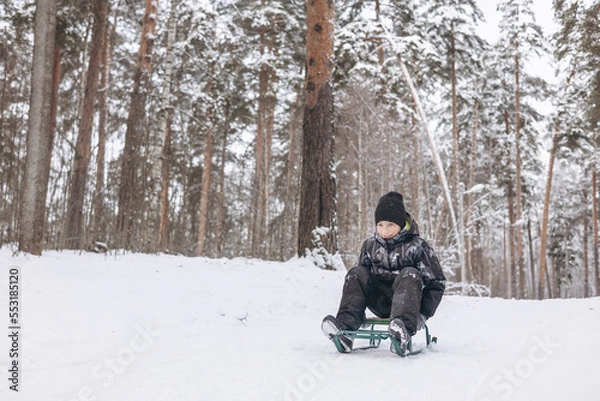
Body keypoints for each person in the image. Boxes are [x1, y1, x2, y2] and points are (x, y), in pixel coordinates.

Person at [322, 191, 446, 353]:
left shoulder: (418, 246)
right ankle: (345, 329)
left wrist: (421, 315)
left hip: (408, 306)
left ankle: (401, 333)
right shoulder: (370, 245)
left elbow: (436, 283)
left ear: (401, 224)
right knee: (356, 273)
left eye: (390, 225)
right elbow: (358, 282)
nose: (385, 230)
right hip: (379, 301)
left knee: (409, 273)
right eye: (380, 225)